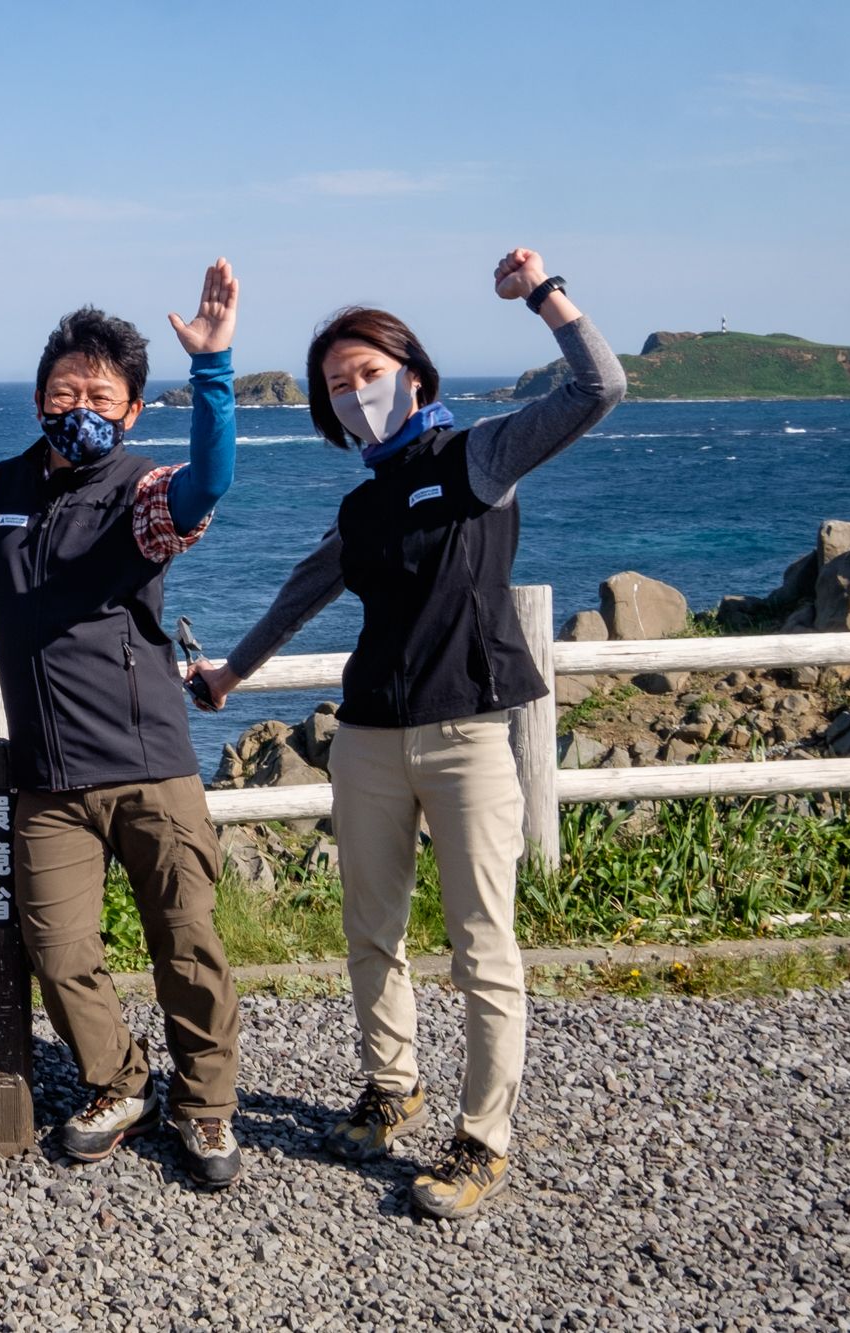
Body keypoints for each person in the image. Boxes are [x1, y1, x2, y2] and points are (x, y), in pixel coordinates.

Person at [192, 248, 626, 1219]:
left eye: (368, 375)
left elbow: (600, 385)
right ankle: (391, 1087)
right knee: (368, 931)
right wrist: (226, 672)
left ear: (413, 374)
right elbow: (295, 599)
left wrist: (543, 295)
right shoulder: (360, 503)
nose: (355, 395)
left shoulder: (476, 457)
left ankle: (481, 1138)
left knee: (482, 945)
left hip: (469, 735)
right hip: (368, 738)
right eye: (338, 386)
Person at [0, 259, 244, 1189]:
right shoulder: (11, 483)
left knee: (187, 944)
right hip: (48, 776)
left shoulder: (139, 491)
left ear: (131, 409)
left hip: (149, 763)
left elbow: (207, 487)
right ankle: (118, 1081)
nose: (79, 402)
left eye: (99, 392)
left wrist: (218, 372)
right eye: (64, 387)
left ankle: (206, 1106)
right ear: (39, 397)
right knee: (59, 947)